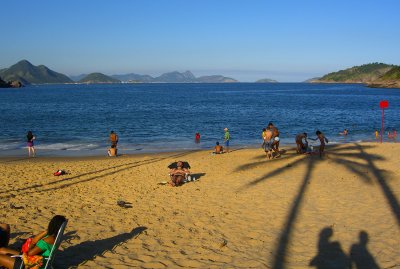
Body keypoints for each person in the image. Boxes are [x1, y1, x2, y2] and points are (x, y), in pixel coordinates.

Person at [0, 215, 67, 269]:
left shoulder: (48, 240)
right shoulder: (55, 237)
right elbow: (34, 240)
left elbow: (29, 253)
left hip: (31, 264)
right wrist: (46, 232)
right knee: (1, 250)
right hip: (33, 259)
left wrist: (31, 245)